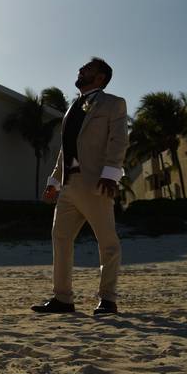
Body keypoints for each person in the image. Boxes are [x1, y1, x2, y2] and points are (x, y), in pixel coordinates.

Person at [32, 57, 128, 316]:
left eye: (88, 69)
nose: (81, 70)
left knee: (108, 243)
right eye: (82, 68)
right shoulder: (72, 107)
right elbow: (67, 149)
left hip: (96, 183)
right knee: (60, 238)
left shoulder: (113, 104)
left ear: (100, 78)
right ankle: (63, 299)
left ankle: (107, 299)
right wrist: (54, 181)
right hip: (69, 186)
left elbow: (118, 140)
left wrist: (110, 174)